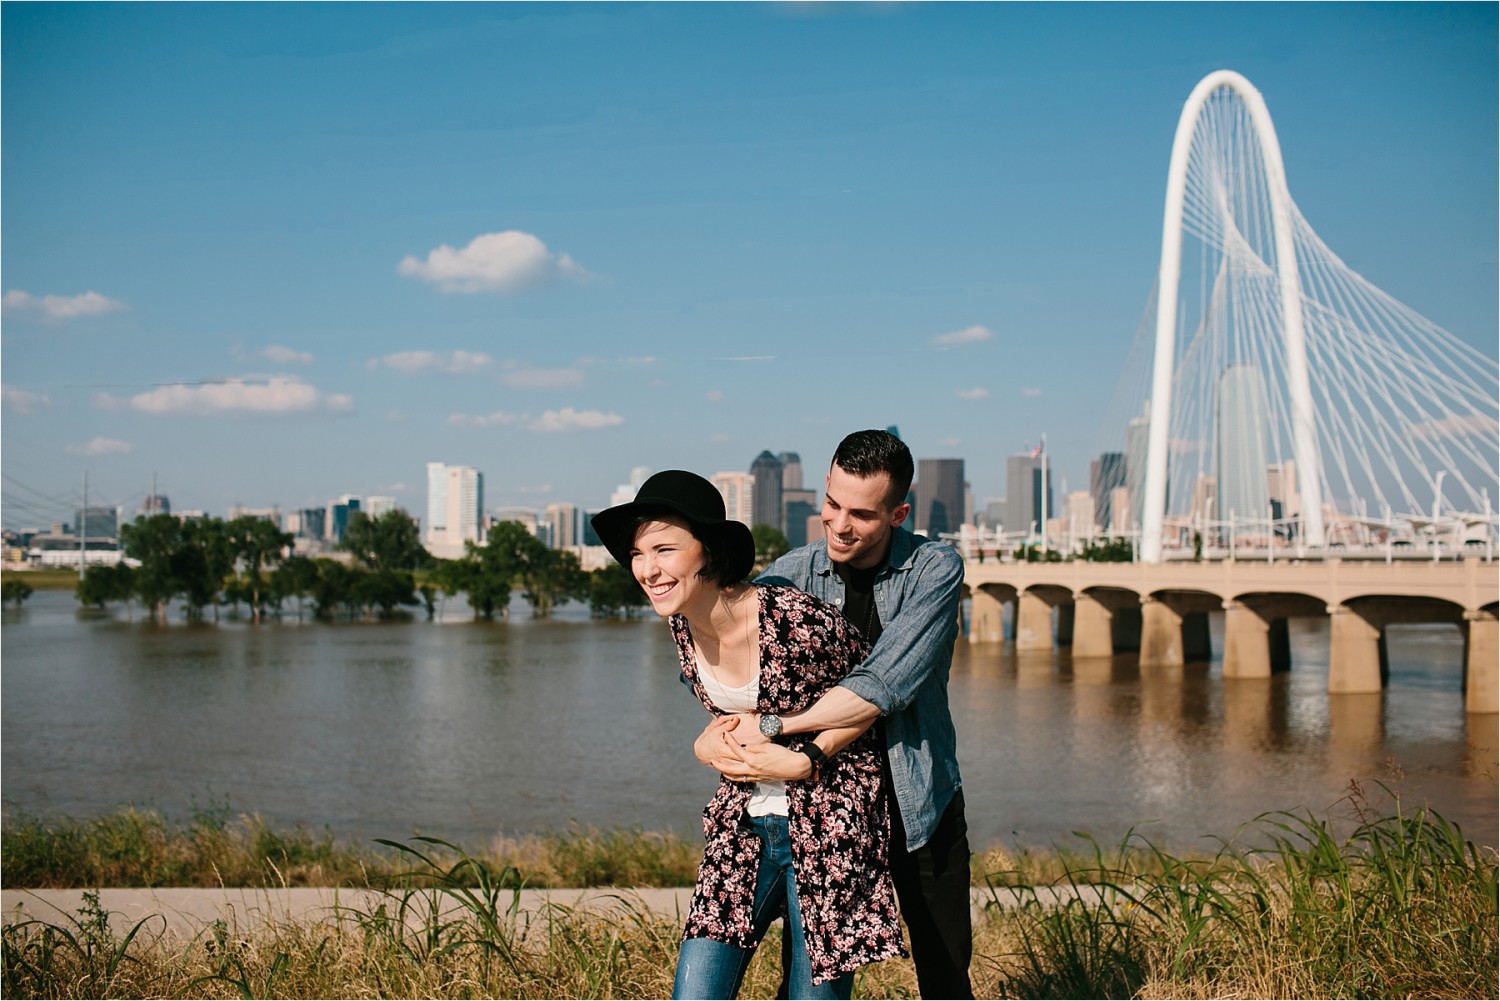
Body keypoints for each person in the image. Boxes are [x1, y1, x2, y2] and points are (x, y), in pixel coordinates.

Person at [591, 470, 905, 1000]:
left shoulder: (792, 620)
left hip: (830, 831)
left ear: (707, 551)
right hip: (742, 827)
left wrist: (809, 754)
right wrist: (704, 742)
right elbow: (731, 716)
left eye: (664, 550)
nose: (648, 569)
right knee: (696, 993)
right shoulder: (681, 623)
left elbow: (870, 701)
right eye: (639, 554)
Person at [697, 429, 974, 1000]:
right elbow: (728, 666)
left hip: (916, 800)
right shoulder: (788, 575)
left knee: (945, 975)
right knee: (804, 979)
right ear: (824, 487)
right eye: (833, 504)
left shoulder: (934, 570)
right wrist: (710, 734)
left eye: (863, 515)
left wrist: (781, 729)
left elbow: (881, 685)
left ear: (898, 513)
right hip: (827, 814)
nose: (840, 525)